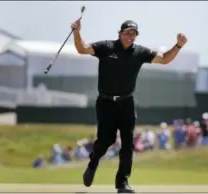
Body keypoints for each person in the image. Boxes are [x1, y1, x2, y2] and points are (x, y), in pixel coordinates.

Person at [71, 19, 187, 193]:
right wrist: (77, 32)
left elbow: (164, 59)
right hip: (105, 102)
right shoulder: (106, 47)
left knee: (127, 143)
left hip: (126, 102)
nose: (130, 36)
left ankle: (122, 183)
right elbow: (82, 49)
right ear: (120, 33)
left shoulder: (139, 52)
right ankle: (93, 162)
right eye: (127, 33)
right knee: (106, 140)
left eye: (133, 34)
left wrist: (178, 45)